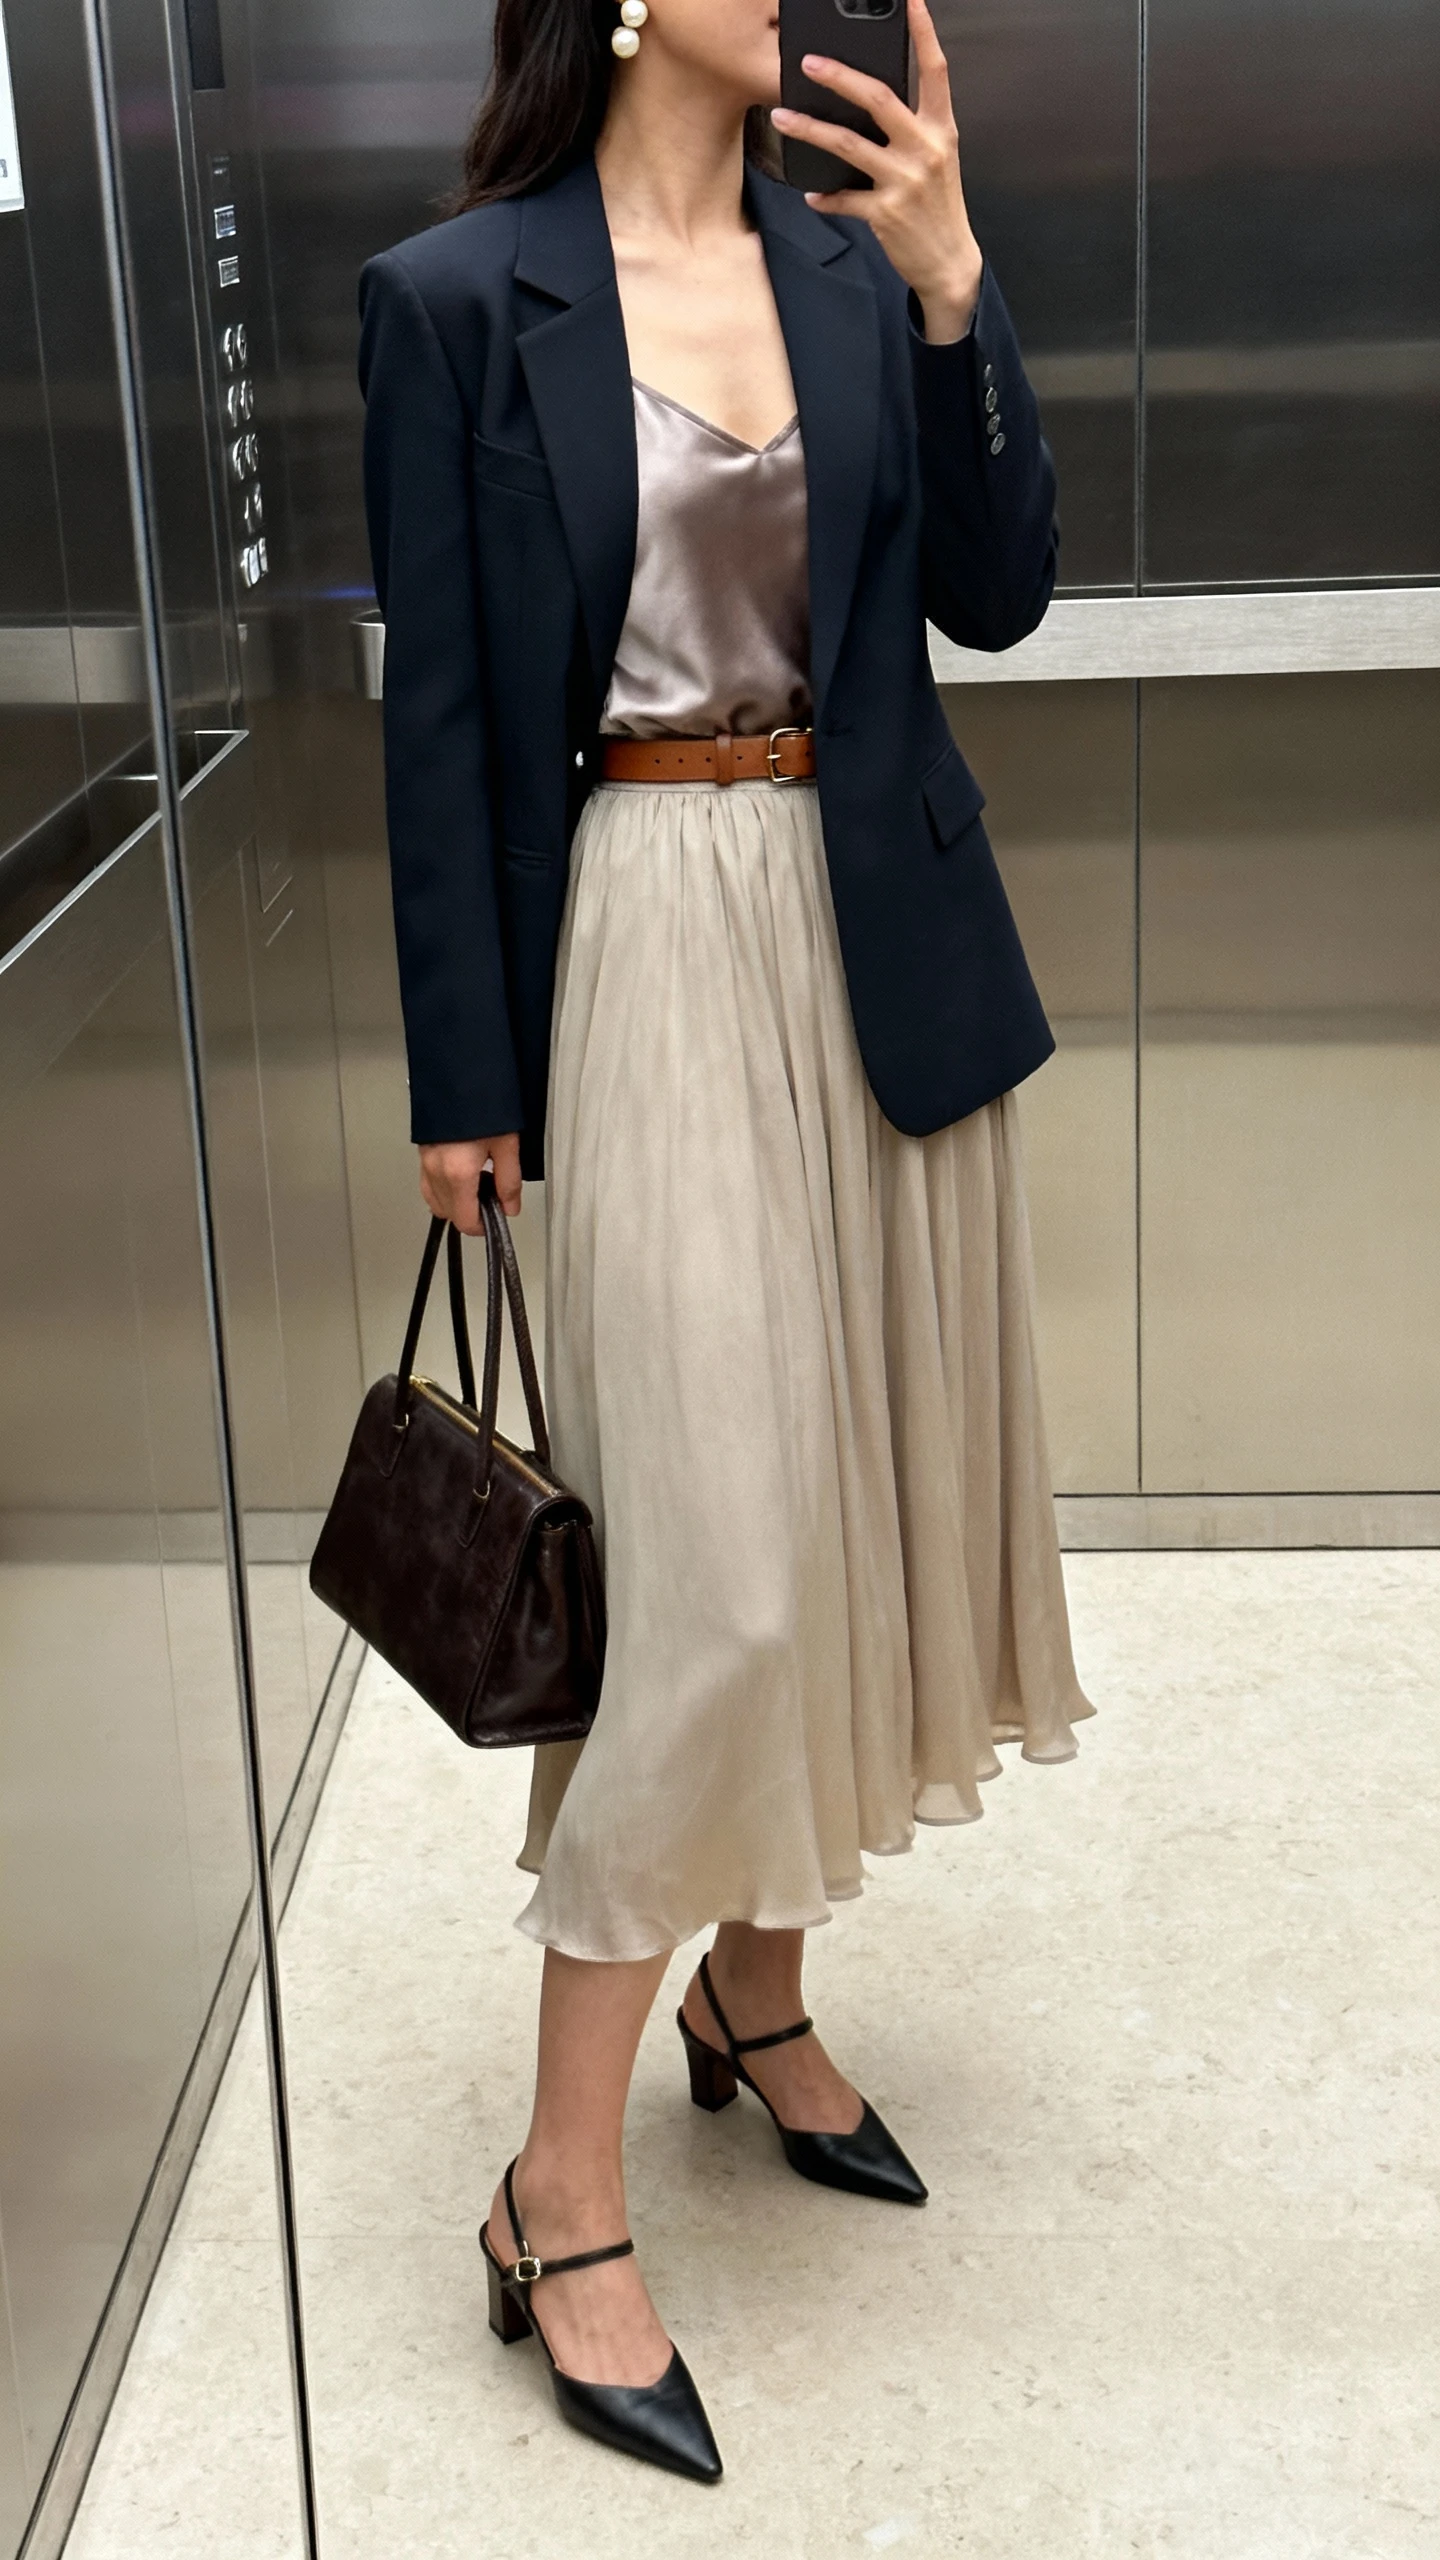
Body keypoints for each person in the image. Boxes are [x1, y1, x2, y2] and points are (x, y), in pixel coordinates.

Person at [358, 0, 1095, 2484]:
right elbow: (442, 713)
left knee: (868, 1495)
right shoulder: (464, 298)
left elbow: (997, 601)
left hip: (876, 938)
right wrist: (464, 1075)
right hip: (640, 940)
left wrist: (962, 288)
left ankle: (752, 1998)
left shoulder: (857, 267)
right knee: (718, 1570)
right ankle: (555, 2187)